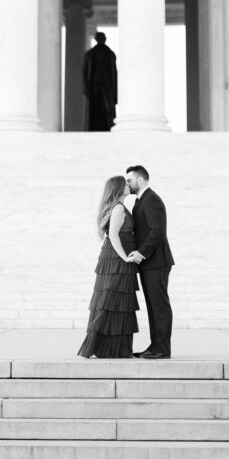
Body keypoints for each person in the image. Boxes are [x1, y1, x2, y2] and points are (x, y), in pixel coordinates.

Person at [77, 175, 139, 358]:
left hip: (113, 259)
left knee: (116, 303)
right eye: (125, 183)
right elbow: (113, 235)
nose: (128, 185)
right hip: (117, 260)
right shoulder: (118, 208)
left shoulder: (117, 207)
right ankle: (99, 346)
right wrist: (125, 258)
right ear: (118, 188)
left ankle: (112, 349)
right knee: (109, 301)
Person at [125, 165, 174, 359]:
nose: (127, 184)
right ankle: (155, 346)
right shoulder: (141, 200)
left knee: (159, 306)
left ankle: (162, 349)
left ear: (140, 180)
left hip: (156, 261)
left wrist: (141, 253)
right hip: (149, 263)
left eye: (129, 180)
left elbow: (157, 232)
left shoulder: (151, 199)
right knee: (153, 306)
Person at [82, 32, 117, 131]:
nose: (101, 40)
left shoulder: (110, 54)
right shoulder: (89, 55)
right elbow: (85, 72)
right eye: (99, 38)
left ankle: (108, 127)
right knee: (95, 109)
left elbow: (114, 73)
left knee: (108, 108)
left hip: (107, 85)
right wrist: (85, 86)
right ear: (96, 39)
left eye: (103, 38)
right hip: (94, 85)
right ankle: (94, 127)